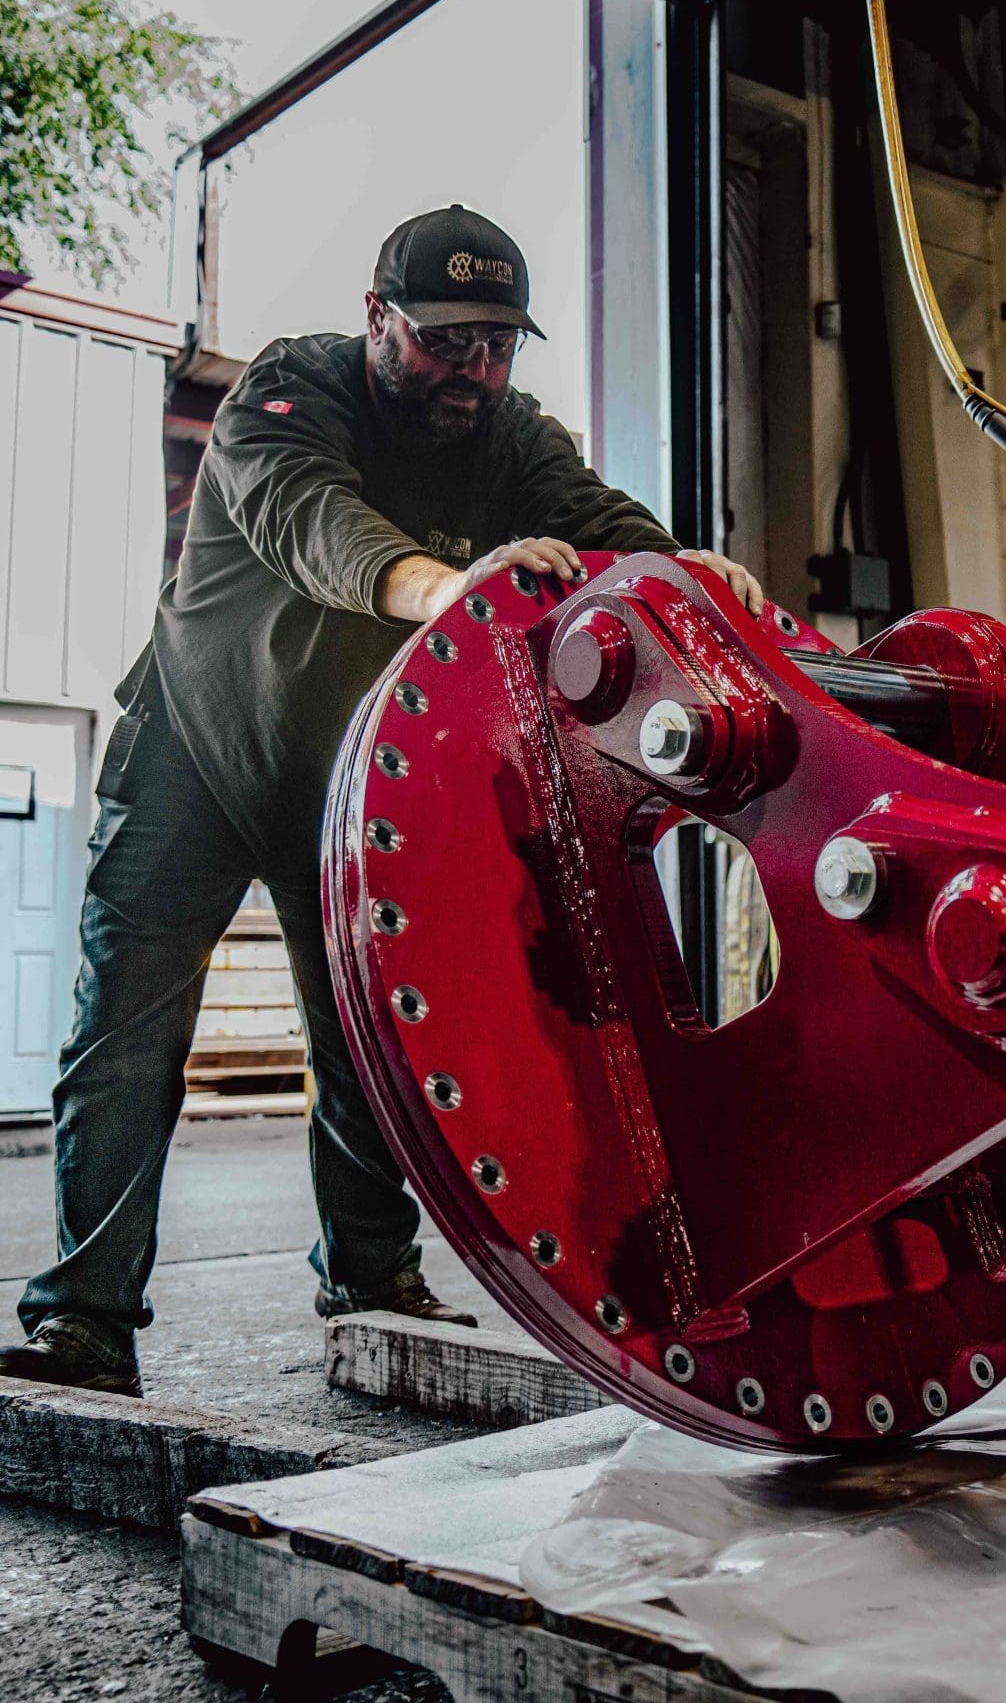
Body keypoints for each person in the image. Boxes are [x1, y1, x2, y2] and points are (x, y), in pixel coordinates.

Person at [1, 206, 763, 1393]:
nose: (474, 369)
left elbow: (594, 518)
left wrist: (678, 573)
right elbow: (314, 523)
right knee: (126, 1029)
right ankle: (85, 1319)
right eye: (445, 340)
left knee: (369, 1037)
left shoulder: (510, 436)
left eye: (500, 345)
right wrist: (443, 585)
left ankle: (371, 1278)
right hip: (191, 754)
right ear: (377, 318)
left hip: (341, 772)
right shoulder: (287, 393)